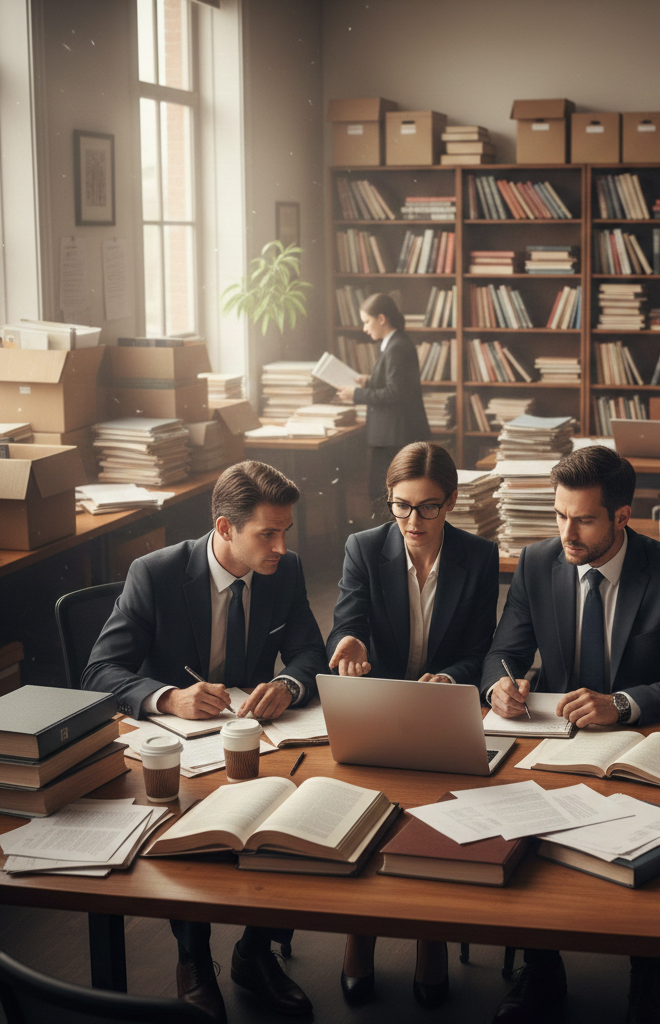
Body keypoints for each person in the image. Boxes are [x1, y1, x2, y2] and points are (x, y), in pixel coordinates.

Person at [82, 461, 328, 1022]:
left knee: (297, 810)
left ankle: (253, 952)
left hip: (255, 740)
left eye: (286, 531)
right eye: (268, 533)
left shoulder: (283, 569)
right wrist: (168, 696)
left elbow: (309, 653)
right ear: (224, 528)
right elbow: (99, 671)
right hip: (177, 748)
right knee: (192, 819)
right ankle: (193, 960)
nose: (282, 546)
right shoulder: (155, 573)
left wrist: (288, 685)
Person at [482, 444, 660, 1024]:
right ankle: (542, 968)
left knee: (649, 833)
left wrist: (624, 705)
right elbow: (504, 652)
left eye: (582, 519)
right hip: (555, 738)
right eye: (560, 515)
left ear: (622, 517)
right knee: (518, 821)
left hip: (642, 739)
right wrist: (499, 686)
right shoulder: (537, 562)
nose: (567, 533)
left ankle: (645, 973)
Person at [327, 441, 499, 1009]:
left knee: (437, 813)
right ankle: (360, 933)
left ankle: (431, 936)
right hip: (377, 705)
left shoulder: (478, 556)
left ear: (451, 502)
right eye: (401, 506)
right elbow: (347, 622)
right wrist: (348, 641)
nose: (412, 521)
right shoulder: (364, 547)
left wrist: (449, 678)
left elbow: (480, 649)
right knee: (365, 810)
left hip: (441, 708)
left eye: (427, 507)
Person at [335, 292, 431, 507]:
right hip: (391, 434)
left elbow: (395, 393)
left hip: (394, 436)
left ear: (381, 318)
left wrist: (356, 394)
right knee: (386, 495)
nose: (364, 328)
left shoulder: (397, 347)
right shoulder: (394, 343)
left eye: (366, 321)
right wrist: (369, 381)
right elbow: (397, 384)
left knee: (386, 496)